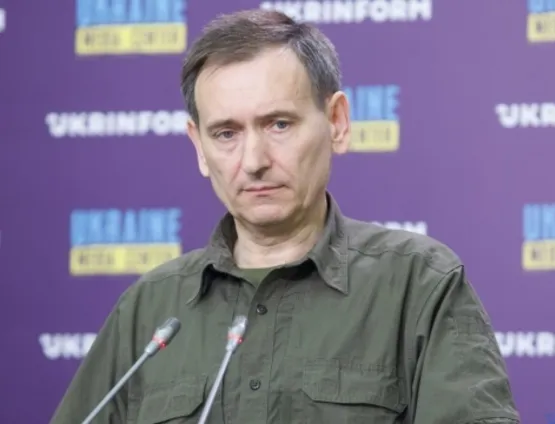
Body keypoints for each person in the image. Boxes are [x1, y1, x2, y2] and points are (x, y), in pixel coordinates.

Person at [51, 9, 520, 424]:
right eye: (226, 133)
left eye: (279, 124)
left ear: (337, 122)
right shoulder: (149, 310)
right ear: (198, 147)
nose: (254, 160)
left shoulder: (418, 284)